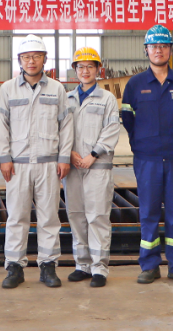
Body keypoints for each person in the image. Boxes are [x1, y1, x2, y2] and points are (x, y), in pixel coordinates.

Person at [0, 34, 73, 290]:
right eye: (26, 57)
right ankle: (14, 267)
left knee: (49, 217)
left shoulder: (57, 89)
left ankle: (48, 266)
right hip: (17, 165)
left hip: (48, 164)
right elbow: (1, 126)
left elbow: (66, 126)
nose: (31, 61)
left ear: (44, 60)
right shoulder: (8, 89)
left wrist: (64, 157)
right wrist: (4, 158)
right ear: (19, 60)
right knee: (16, 216)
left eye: (36, 56)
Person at [122, 25, 173, 285]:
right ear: (146, 50)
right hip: (147, 159)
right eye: (154, 46)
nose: (159, 50)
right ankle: (149, 265)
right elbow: (128, 119)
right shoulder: (135, 84)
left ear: (170, 50)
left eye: (163, 46)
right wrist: (142, 143)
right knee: (149, 213)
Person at [63, 47, 121, 288]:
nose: (85, 71)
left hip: (97, 167)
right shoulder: (66, 99)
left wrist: (93, 155)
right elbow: (60, 129)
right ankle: (82, 265)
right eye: (80, 67)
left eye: (90, 66)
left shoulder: (107, 98)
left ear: (98, 69)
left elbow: (112, 129)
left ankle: (99, 268)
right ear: (75, 70)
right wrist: (70, 153)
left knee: (97, 217)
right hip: (73, 166)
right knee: (76, 215)